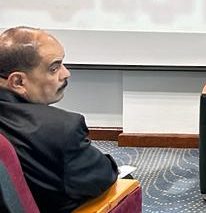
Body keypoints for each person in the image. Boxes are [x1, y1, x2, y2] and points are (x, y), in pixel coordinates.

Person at [0, 26, 118, 213]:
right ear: (18, 82)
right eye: (54, 68)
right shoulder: (60, 129)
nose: (66, 73)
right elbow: (103, 176)